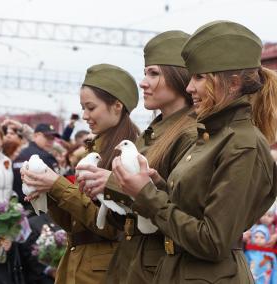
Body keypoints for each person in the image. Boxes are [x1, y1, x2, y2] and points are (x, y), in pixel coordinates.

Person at [111, 20, 277, 283]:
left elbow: (213, 241)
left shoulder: (243, 145)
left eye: (199, 77)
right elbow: (191, 211)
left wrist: (147, 195)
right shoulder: (216, 136)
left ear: (233, 83)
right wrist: (155, 186)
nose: (190, 87)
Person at [79, 31, 197, 283]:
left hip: (158, 266)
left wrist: (112, 184)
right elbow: (126, 218)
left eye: (154, 73)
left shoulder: (189, 134)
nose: (143, 82)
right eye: (145, 73)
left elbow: (185, 212)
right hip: (133, 262)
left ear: (179, 76)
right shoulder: (153, 132)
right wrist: (102, 193)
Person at [22, 63, 140, 283]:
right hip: (78, 266)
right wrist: (46, 191)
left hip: (105, 272)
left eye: (91, 107)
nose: (85, 115)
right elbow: (74, 223)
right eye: (83, 107)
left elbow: (110, 226)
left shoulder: (130, 157)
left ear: (117, 105)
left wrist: (58, 185)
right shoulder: (96, 149)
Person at [12, 123, 60, 207]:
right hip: (43, 208)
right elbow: (56, 185)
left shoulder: (21, 154)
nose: (50, 141)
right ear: (36, 136)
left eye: (52, 138)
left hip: (22, 207)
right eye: (47, 137)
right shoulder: (45, 157)